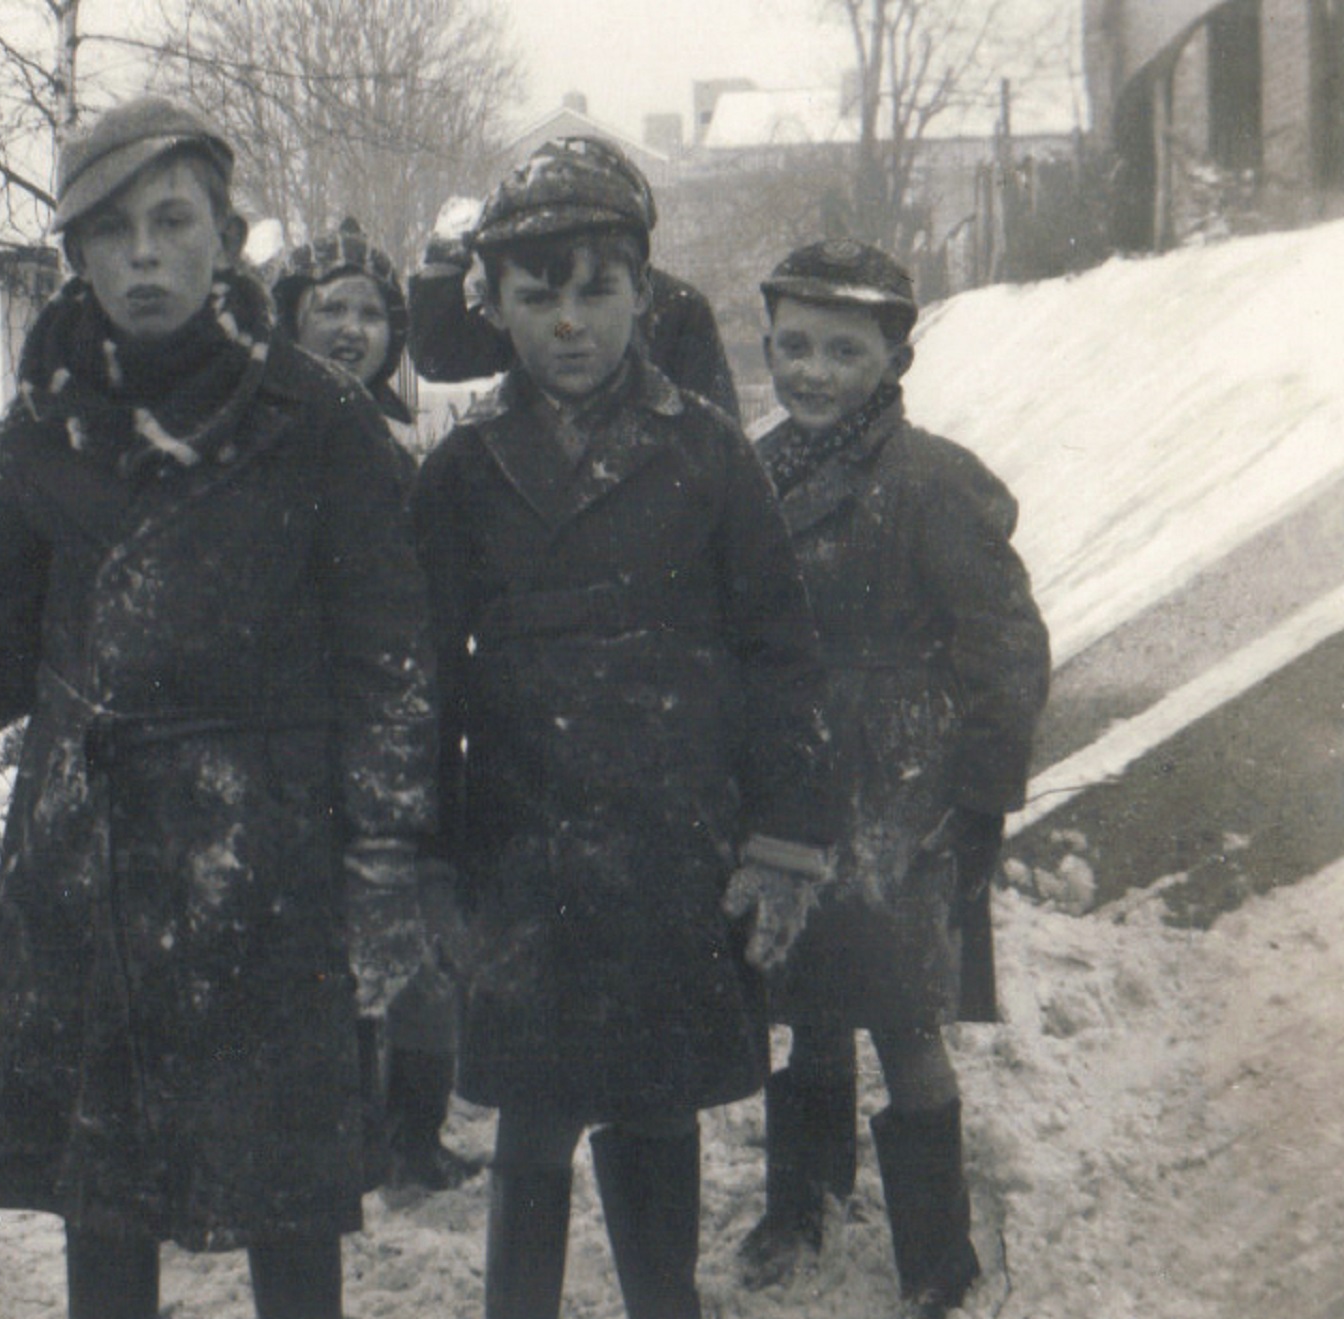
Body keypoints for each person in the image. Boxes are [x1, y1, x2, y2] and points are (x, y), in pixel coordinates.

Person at [0, 96, 437, 1319]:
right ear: (75, 254)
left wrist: (382, 859)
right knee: (100, 1192)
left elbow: (390, 657)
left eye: (173, 222)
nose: (145, 255)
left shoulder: (316, 418)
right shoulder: (37, 431)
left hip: (265, 857)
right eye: (109, 232)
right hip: (89, 860)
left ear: (226, 234)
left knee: (285, 1198)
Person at [410, 140, 835, 1319]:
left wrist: (781, 837)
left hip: (669, 846)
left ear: (643, 294)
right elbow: (424, 685)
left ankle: (665, 1303)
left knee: (654, 1105)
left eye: (597, 289)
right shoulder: (458, 474)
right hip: (520, 852)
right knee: (533, 1120)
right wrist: (427, 862)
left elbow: (780, 653)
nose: (570, 323)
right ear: (490, 303)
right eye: (537, 294)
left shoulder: (706, 453)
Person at [734, 239, 1050, 1319]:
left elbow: (1004, 643)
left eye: (840, 349)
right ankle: (802, 1202)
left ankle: (936, 1251)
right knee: (796, 999)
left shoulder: (931, 479)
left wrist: (978, 795)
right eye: (791, 347)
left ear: (892, 355)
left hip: (899, 787)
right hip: (792, 778)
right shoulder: (755, 466)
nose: (810, 371)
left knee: (904, 1017)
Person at [269, 218, 479, 1192]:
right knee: (323, 933)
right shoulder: (259, 443)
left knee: (423, 916)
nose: (351, 329)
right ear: (287, 324)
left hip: (414, 713)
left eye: (370, 312)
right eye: (328, 310)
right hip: (304, 721)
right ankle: (340, 1126)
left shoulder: (418, 444)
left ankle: (413, 1130)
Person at [407, 136, 740, 419]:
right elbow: (440, 356)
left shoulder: (678, 308)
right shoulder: (531, 295)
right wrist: (445, 258)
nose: (568, 324)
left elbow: (714, 424)